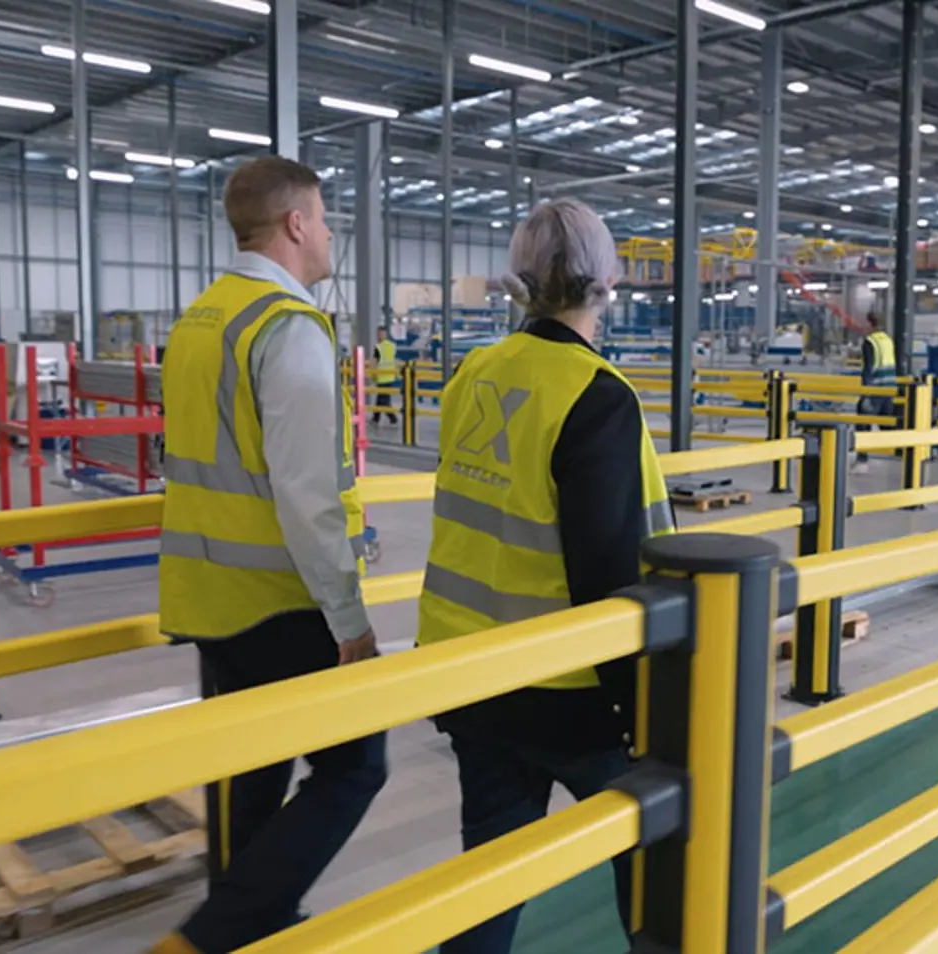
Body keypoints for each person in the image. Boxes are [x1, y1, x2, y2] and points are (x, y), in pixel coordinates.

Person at [417, 198, 673, 954]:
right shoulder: (597, 397)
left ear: (517, 281)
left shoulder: (474, 372)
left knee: (490, 877)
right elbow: (606, 575)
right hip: (571, 697)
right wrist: (643, 711)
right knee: (655, 860)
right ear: (609, 281)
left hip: (469, 672)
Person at [152, 156, 387, 954]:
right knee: (355, 767)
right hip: (280, 599)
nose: (327, 235)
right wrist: (349, 619)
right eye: (323, 220)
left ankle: (249, 926)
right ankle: (213, 935)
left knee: (251, 773)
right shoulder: (285, 325)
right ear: (294, 224)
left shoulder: (201, 319)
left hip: (207, 593)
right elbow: (306, 493)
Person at [855, 312, 897, 468]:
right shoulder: (887, 339)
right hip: (889, 387)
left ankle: (862, 460)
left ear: (869, 324)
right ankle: (907, 450)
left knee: (862, 422)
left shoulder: (870, 342)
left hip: (875, 389)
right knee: (886, 423)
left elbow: (868, 368)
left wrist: (865, 392)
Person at [371, 326, 399, 426]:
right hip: (390, 376)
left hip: (382, 377)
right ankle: (375, 418)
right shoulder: (392, 346)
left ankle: (393, 418)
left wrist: (373, 375)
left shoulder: (378, 347)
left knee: (384, 400)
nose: (379, 335)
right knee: (381, 398)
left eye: (380, 333)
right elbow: (394, 360)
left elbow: (374, 362)